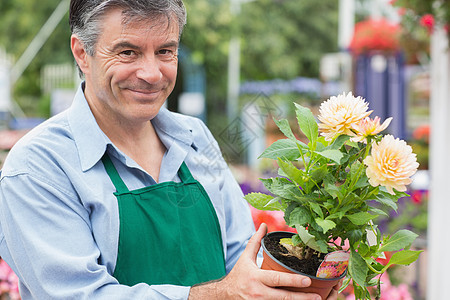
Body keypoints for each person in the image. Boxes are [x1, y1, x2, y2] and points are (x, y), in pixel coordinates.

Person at [0, 0, 340, 299]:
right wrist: (219, 295)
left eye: (165, 51)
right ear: (81, 53)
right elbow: (78, 295)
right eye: (127, 52)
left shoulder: (195, 137)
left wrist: (298, 281)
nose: (151, 73)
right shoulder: (39, 166)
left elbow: (243, 259)